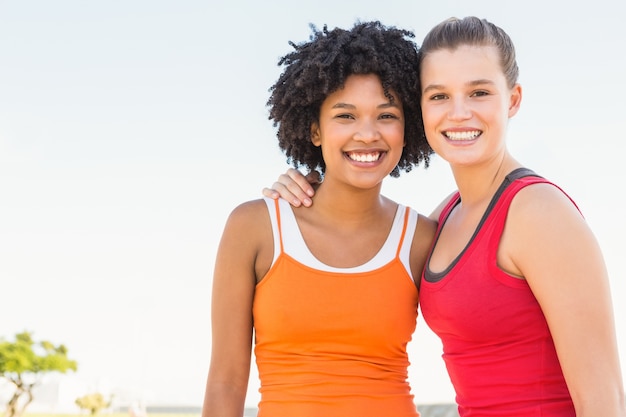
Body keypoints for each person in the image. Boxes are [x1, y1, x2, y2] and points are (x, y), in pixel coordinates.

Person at [262, 16, 626, 417]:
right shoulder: (445, 218)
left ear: (513, 100)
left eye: (479, 92)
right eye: (439, 96)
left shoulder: (539, 212)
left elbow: (604, 400)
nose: (458, 113)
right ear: (420, 110)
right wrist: (309, 187)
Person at [201, 21, 436, 417]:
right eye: (345, 116)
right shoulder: (254, 227)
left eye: (386, 115)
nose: (367, 134)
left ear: (406, 127)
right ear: (314, 130)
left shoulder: (423, 238)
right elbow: (225, 381)